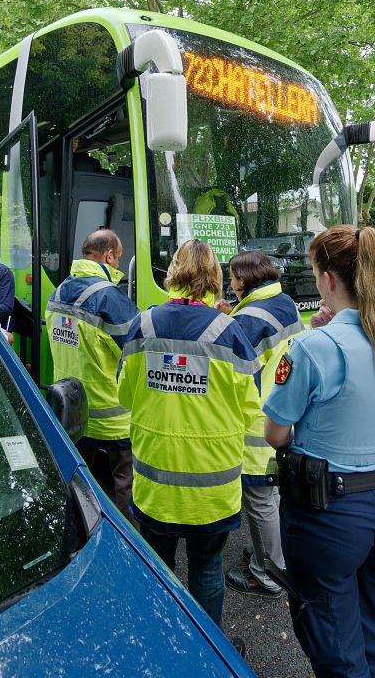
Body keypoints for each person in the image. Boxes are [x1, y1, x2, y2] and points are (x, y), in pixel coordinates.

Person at [263, 225, 375, 678]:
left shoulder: (313, 349)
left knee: (335, 645)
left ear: (329, 279)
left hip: (327, 514)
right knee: (373, 635)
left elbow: (276, 434)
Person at [117, 239, 262, 628]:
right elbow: (251, 409)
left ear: (174, 271)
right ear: (215, 275)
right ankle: (206, 656)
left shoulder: (142, 324)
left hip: (155, 485)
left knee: (158, 573)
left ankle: (161, 647)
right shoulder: (229, 331)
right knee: (208, 572)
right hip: (212, 492)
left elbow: (125, 395)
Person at [217, 250, 305, 598]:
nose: (230, 283)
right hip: (283, 413)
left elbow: (235, 369)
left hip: (256, 425)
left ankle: (267, 575)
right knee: (275, 495)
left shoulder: (250, 319)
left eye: (232, 278)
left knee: (260, 499)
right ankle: (274, 553)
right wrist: (233, 315)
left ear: (243, 280)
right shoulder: (283, 302)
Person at [45, 229, 139, 523]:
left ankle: (82, 532)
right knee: (126, 482)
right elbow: (137, 349)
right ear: (109, 256)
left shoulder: (59, 290)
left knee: (80, 484)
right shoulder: (109, 297)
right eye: (119, 260)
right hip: (113, 415)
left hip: (73, 409)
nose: (119, 267)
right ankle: (131, 548)